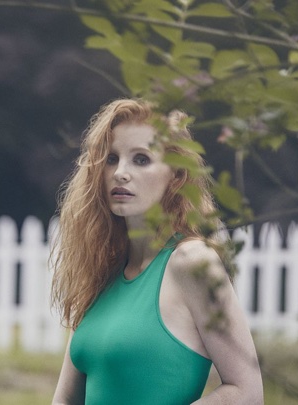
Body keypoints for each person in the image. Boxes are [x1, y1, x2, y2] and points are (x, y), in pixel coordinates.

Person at [50, 98, 263, 404]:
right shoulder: (100, 272)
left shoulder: (191, 262)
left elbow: (247, 393)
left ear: (175, 176)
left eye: (141, 159)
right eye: (111, 158)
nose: (121, 172)